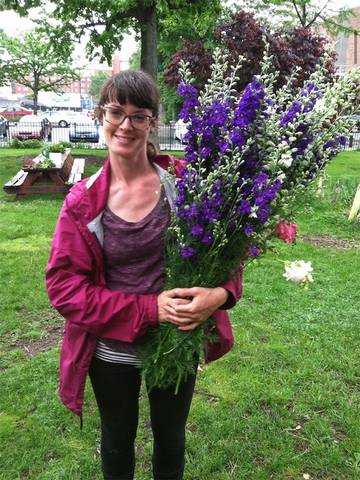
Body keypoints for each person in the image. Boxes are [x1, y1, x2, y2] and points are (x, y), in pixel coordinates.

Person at [46, 69, 243, 480]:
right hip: (112, 349)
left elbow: (231, 252)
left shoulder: (185, 185)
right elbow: (65, 290)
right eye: (116, 112)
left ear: (154, 122)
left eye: (139, 115)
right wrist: (149, 309)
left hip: (177, 341)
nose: (125, 125)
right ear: (101, 115)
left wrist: (220, 295)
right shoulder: (82, 203)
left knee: (171, 438)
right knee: (117, 441)